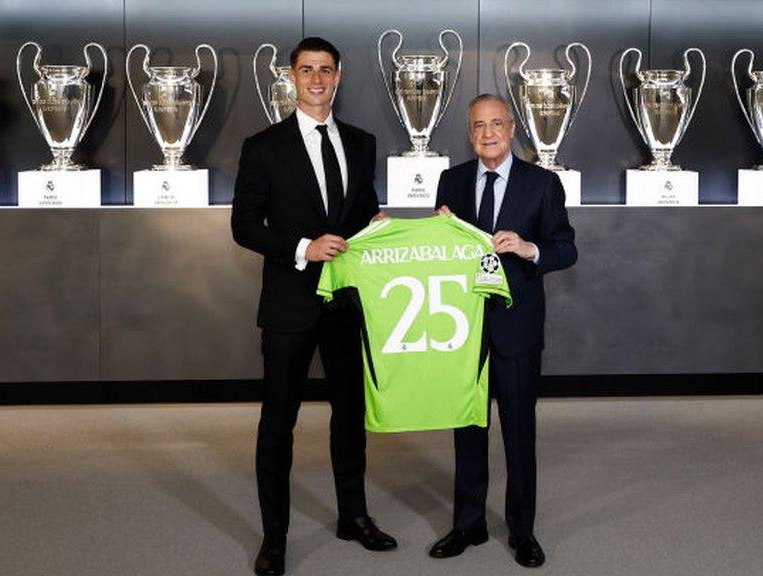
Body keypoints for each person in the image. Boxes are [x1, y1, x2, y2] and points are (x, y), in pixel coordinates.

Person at [231, 36, 397, 576]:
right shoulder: (263, 146)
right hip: (289, 304)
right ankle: (274, 539)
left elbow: (363, 210)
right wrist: (303, 247)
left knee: (351, 416)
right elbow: (244, 225)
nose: (317, 78)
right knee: (278, 424)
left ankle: (353, 516)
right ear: (292, 76)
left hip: (346, 305)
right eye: (307, 70)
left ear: (339, 76)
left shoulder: (362, 142)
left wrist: (377, 228)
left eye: (326, 69)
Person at [430, 93, 577, 568]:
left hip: (516, 330)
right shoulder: (450, 181)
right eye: (478, 126)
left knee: (519, 432)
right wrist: (434, 232)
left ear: (512, 129)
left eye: (496, 124)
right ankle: (467, 524)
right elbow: (441, 254)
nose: (488, 133)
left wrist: (528, 247)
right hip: (464, 328)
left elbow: (565, 248)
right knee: (468, 431)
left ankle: (522, 531)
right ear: (469, 133)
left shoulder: (542, 183)